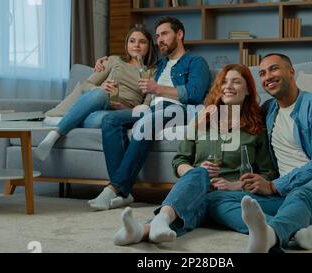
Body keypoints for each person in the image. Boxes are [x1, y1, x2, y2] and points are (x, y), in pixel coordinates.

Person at [208, 53, 312, 253]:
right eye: (262, 73)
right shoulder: (268, 110)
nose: (268, 76)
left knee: (302, 194)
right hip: (286, 194)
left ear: (291, 72)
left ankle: (272, 236)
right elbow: (240, 113)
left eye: (274, 69)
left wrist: (274, 185)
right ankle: (295, 229)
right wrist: (203, 116)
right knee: (215, 200)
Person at [111, 64, 278, 245]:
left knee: (206, 204)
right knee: (199, 173)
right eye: (224, 82)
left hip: (228, 195)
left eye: (236, 82)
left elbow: (268, 173)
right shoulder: (201, 120)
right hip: (196, 188)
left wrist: (235, 185)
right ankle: (157, 222)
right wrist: (194, 172)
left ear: (247, 91)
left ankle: (145, 229)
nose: (228, 86)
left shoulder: (256, 129)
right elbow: (179, 161)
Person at [88, 16, 211, 210]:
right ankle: (125, 193)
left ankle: (113, 189)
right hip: (151, 110)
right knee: (111, 120)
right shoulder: (159, 64)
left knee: (147, 123)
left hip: (178, 110)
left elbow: (195, 93)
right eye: (157, 36)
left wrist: (158, 89)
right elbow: (133, 60)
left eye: (164, 34)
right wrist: (105, 61)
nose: (159, 39)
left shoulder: (196, 62)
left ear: (179, 34)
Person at [34, 24, 158, 161]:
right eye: (132, 41)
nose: (136, 45)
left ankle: (67, 120)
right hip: (101, 99)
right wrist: (101, 88)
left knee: (104, 121)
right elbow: (86, 84)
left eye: (142, 42)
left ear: (149, 46)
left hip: (117, 113)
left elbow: (145, 109)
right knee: (101, 93)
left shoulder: (153, 72)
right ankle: (54, 135)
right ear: (127, 44)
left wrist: (122, 108)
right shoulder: (114, 60)